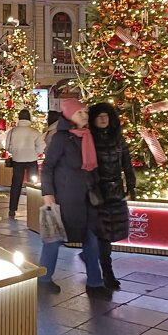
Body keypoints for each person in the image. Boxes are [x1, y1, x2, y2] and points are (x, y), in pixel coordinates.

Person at [38, 99, 111, 299]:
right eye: (80, 113)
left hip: (89, 199)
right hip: (65, 198)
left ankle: (95, 283)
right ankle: (43, 280)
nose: (85, 116)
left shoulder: (89, 136)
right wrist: (48, 194)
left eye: (86, 112)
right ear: (69, 115)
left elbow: (95, 167)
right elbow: (48, 167)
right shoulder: (61, 138)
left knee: (93, 239)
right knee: (53, 240)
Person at [88, 102, 137, 290]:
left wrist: (131, 184)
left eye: (106, 116)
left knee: (111, 233)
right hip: (98, 191)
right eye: (99, 116)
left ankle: (102, 268)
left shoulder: (118, 139)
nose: (103, 119)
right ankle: (107, 273)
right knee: (102, 235)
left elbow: (127, 163)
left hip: (116, 190)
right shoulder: (90, 139)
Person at [3, 108, 45, 218]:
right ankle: (34, 209)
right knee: (33, 185)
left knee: (16, 185)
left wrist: (16, 151)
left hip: (17, 160)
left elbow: (7, 147)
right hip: (32, 160)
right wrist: (34, 152)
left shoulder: (13, 131)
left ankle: (12, 209)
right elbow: (41, 148)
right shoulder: (35, 131)